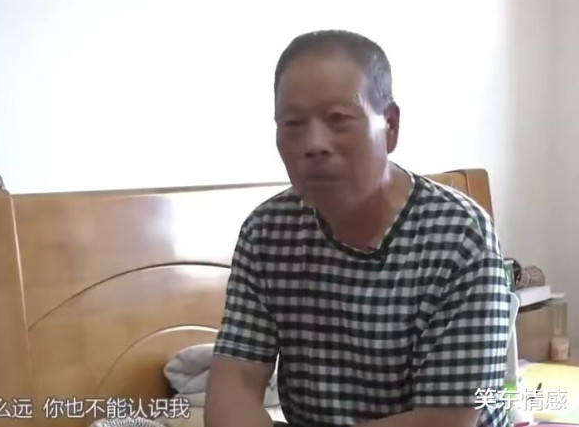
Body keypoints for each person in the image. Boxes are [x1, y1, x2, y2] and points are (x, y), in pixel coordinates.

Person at [204, 29, 511, 427]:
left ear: (390, 125)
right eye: (293, 124)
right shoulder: (267, 233)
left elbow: (446, 420)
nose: (313, 144)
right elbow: (233, 386)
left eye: (338, 120)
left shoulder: (459, 236)